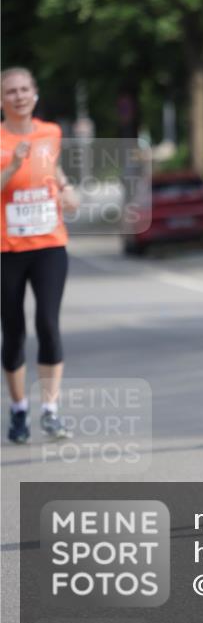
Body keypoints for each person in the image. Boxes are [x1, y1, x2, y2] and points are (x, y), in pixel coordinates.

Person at [1, 68, 79, 443]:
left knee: (48, 323)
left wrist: (67, 188)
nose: (19, 96)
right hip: (7, 249)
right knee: (13, 330)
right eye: (11, 91)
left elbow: (53, 168)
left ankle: (50, 409)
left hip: (49, 244)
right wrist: (13, 166)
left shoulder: (51, 133)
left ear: (35, 94)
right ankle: (19, 410)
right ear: (2, 100)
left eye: (24, 89)